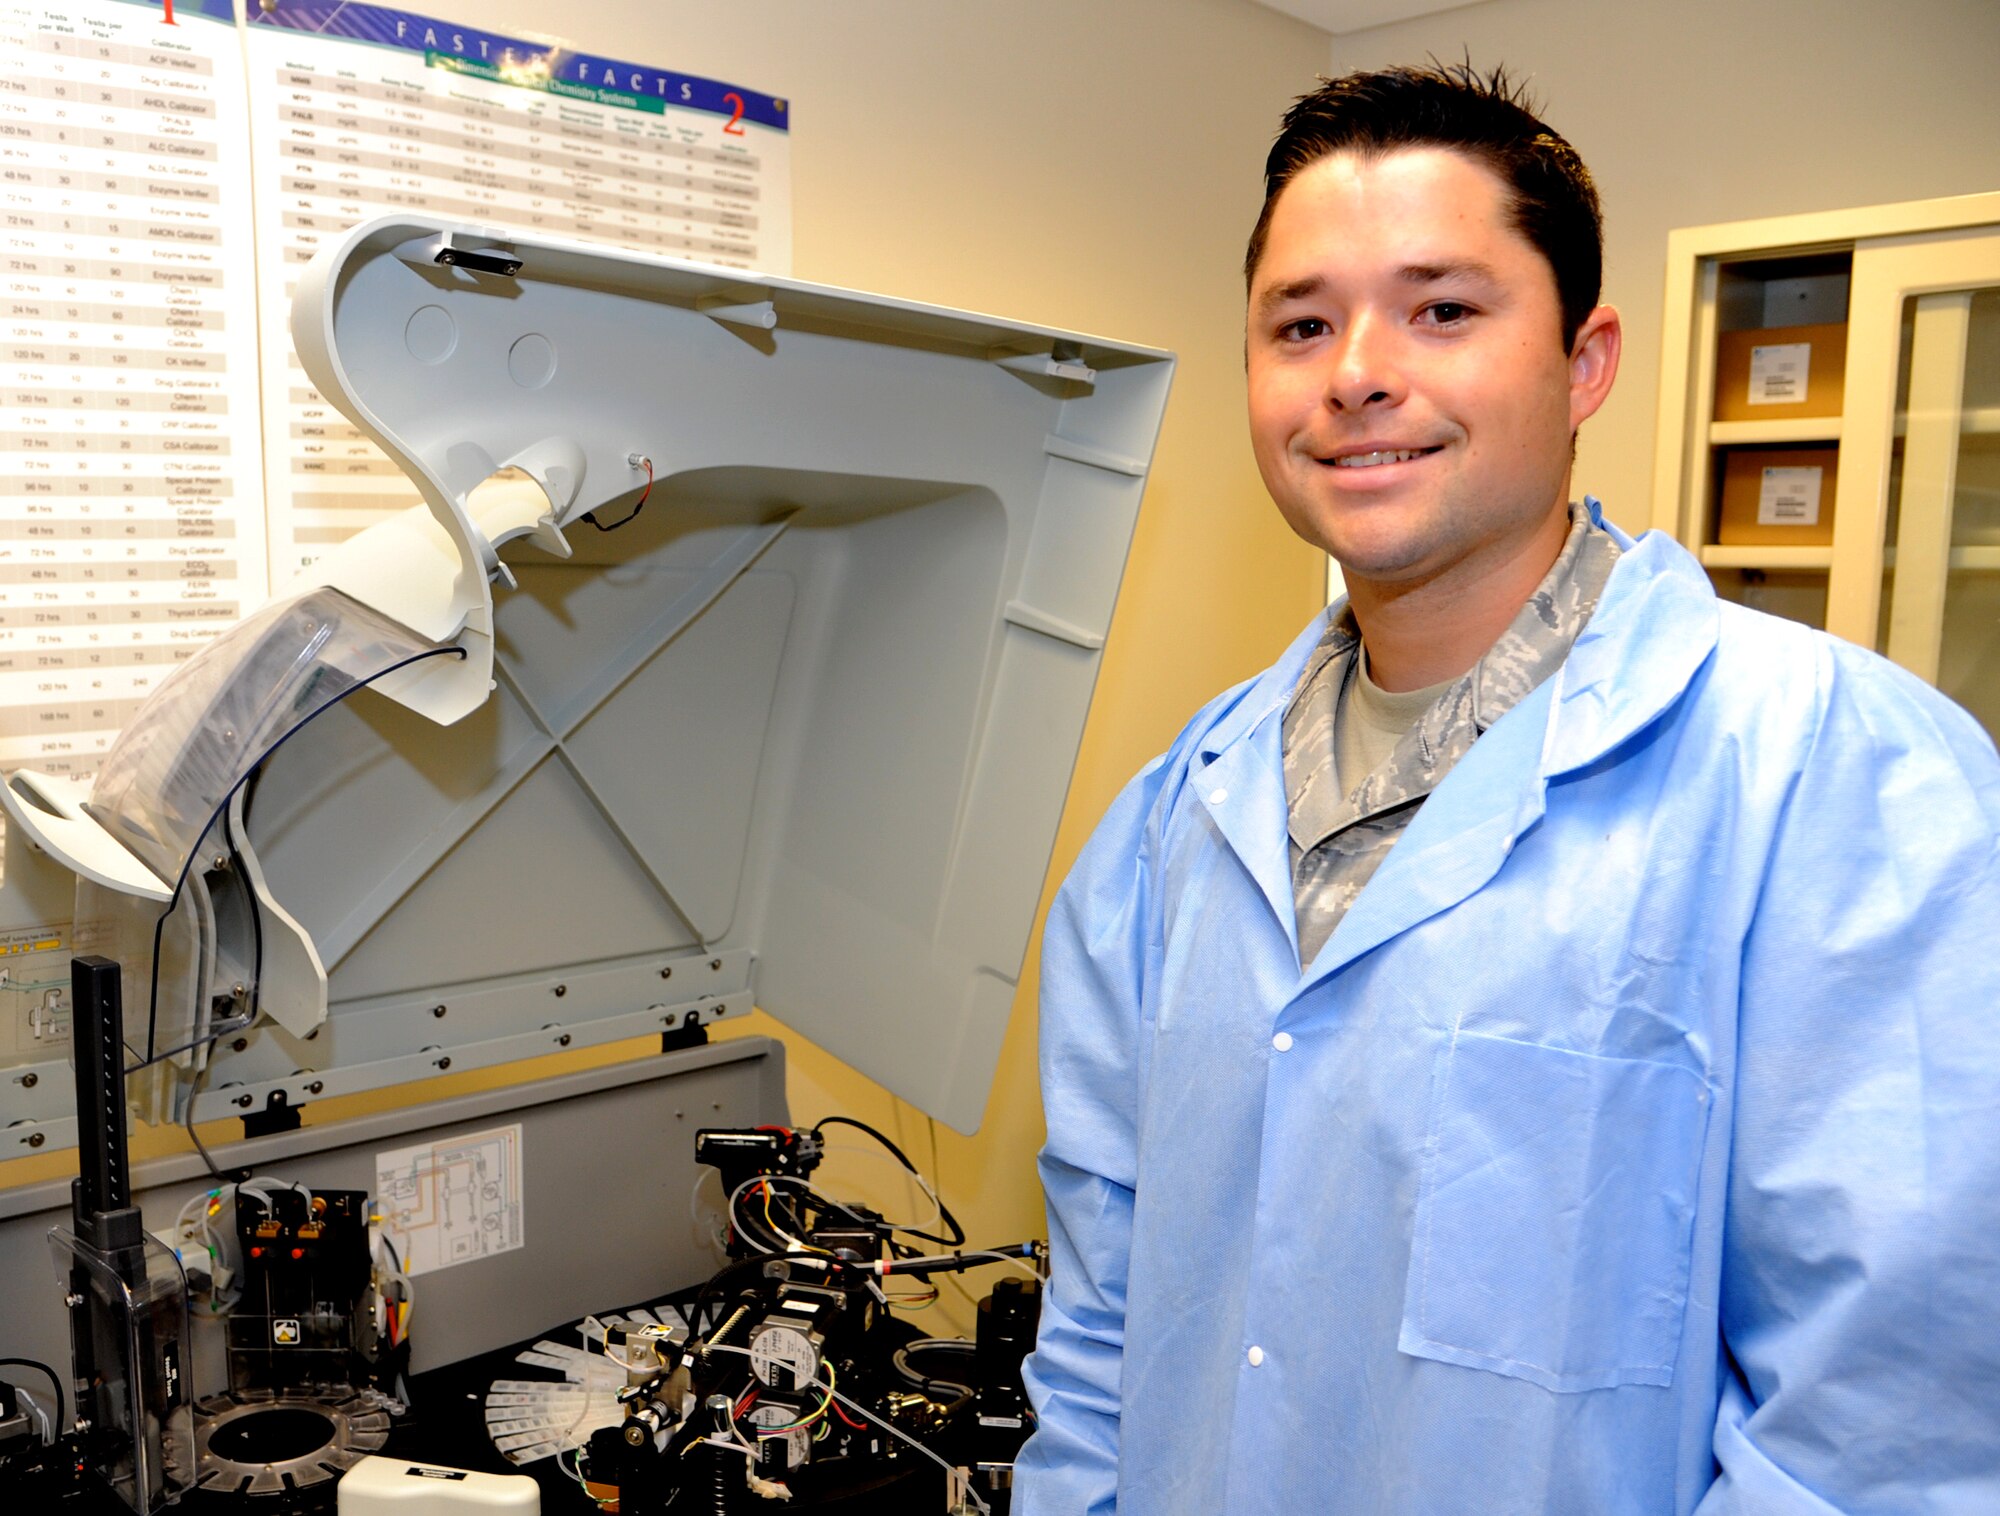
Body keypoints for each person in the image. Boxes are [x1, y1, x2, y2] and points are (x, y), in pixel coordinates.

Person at [1012, 62, 2000, 1515]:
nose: (1356, 371)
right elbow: (1100, 1335)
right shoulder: (1175, 816)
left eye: (1443, 310)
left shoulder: (1837, 774)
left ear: (1585, 362)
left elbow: (1884, 1428)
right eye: (1300, 324)